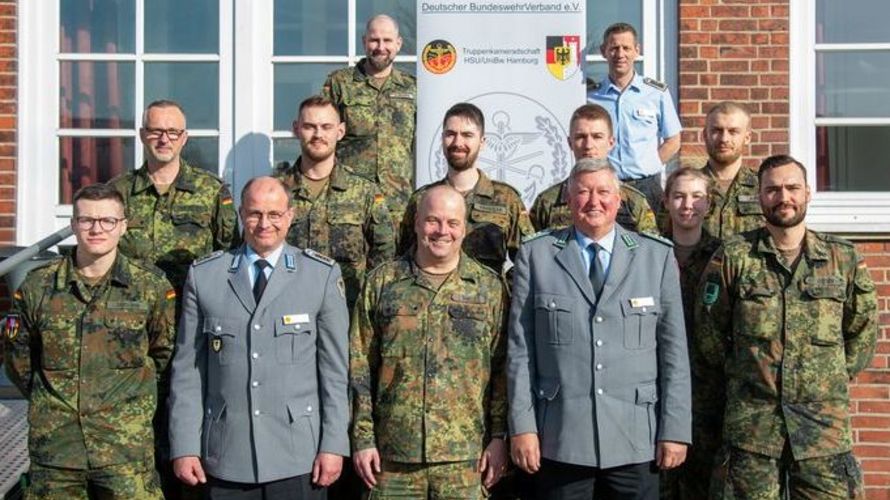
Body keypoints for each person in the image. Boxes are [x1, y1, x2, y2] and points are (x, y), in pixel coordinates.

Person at [693, 155, 877, 498]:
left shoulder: (843, 259)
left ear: (808, 192)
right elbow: (708, 331)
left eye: (792, 188)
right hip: (753, 428)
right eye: (772, 189)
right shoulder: (734, 256)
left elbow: (863, 332)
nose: (783, 197)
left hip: (823, 430)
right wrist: (742, 370)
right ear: (760, 196)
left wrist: (826, 377)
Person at [508, 158, 691, 499]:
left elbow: (674, 353)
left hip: (636, 440)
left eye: (603, 191)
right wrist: (523, 427)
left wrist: (676, 430)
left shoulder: (656, 257)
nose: (594, 201)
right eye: (583, 192)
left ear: (618, 199)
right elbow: (521, 351)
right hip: (561, 439)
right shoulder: (537, 257)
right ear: (568, 199)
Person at [168, 177, 350, 499]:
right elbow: (188, 372)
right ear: (240, 214)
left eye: (274, 214)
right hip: (225, 456)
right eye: (254, 214)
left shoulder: (320, 275)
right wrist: (183, 445)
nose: (264, 224)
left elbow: (335, 372)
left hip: (298, 456)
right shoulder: (207, 275)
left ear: (290, 215)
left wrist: (334, 444)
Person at [3, 183, 176, 499]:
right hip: (56, 450)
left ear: (122, 226)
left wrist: (131, 408)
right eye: (86, 220)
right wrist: (55, 401)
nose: (97, 229)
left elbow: (162, 354)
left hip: (124, 450)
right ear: (73, 225)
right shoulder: (37, 287)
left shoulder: (150, 287)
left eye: (107, 221)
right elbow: (19, 361)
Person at [107, 98, 239, 498]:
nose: (163, 139)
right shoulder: (118, 193)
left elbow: (229, 260)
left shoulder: (212, 191)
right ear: (142, 134)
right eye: (155, 131)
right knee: (137, 435)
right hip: (133, 337)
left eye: (172, 132)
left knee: (194, 432)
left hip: (193, 333)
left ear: (185, 138)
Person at [351, 185, 509, 498]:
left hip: (466, 458)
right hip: (393, 457)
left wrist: (500, 436)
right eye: (432, 221)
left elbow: (503, 368)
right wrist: (363, 438)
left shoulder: (489, 288)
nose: (442, 231)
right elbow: (359, 368)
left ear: (464, 229)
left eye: (452, 223)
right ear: (416, 223)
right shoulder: (382, 283)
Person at [274, 95, 395, 311]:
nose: (318, 134)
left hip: (346, 309)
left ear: (340, 132)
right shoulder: (276, 191)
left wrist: (367, 300)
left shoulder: (364, 191)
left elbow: (385, 251)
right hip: (287, 309)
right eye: (310, 127)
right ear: (296, 129)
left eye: (326, 127)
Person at [398, 102, 534, 276]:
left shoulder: (507, 200)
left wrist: (503, 292)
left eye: (467, 135)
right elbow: (403, 258)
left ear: (482, 142)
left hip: (485, 300)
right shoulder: (422, 199)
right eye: (451, 134)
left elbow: (529, 259)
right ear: (442, 139)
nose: (458, 142)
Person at [659, 167, 720, 500]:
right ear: (666, 201)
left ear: (708, 204)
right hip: (658, 389)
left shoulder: (725, 256)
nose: (687, 205)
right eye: (680, 195)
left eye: (697, 196)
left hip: (709, 392)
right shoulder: (648, 253)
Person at [322, 14, 416, 225]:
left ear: (398, 44)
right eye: (374, 40)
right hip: (349, 201)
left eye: (387, 40)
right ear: (364, 42)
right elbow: (322, 135)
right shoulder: (340, 83)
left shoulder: (412, 88)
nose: (380, 46)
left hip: (397, 203)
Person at [587, 23, 682, 211]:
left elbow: (673, 140)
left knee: (649, 240)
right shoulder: (590, 97)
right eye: (614, 48)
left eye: (626, 48)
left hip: (647, 187)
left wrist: (648, 165)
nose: (620, 54)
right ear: (603, 51)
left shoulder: (657, 93)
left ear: (636, 51)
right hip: (605, 185)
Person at [531, 103, 658, 234]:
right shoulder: (547, 202)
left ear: (611, 143)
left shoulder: (634, 202)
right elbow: (534, 250)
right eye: (581, 137)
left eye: (597, 137)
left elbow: (649, 251)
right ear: (570, 143)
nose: (588, 145)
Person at [700, 101, 765, 239]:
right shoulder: (688, 186)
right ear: (705, 135)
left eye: (733, 131)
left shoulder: (764, 186)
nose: (724, 139)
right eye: (717, 130)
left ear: (747, 138)